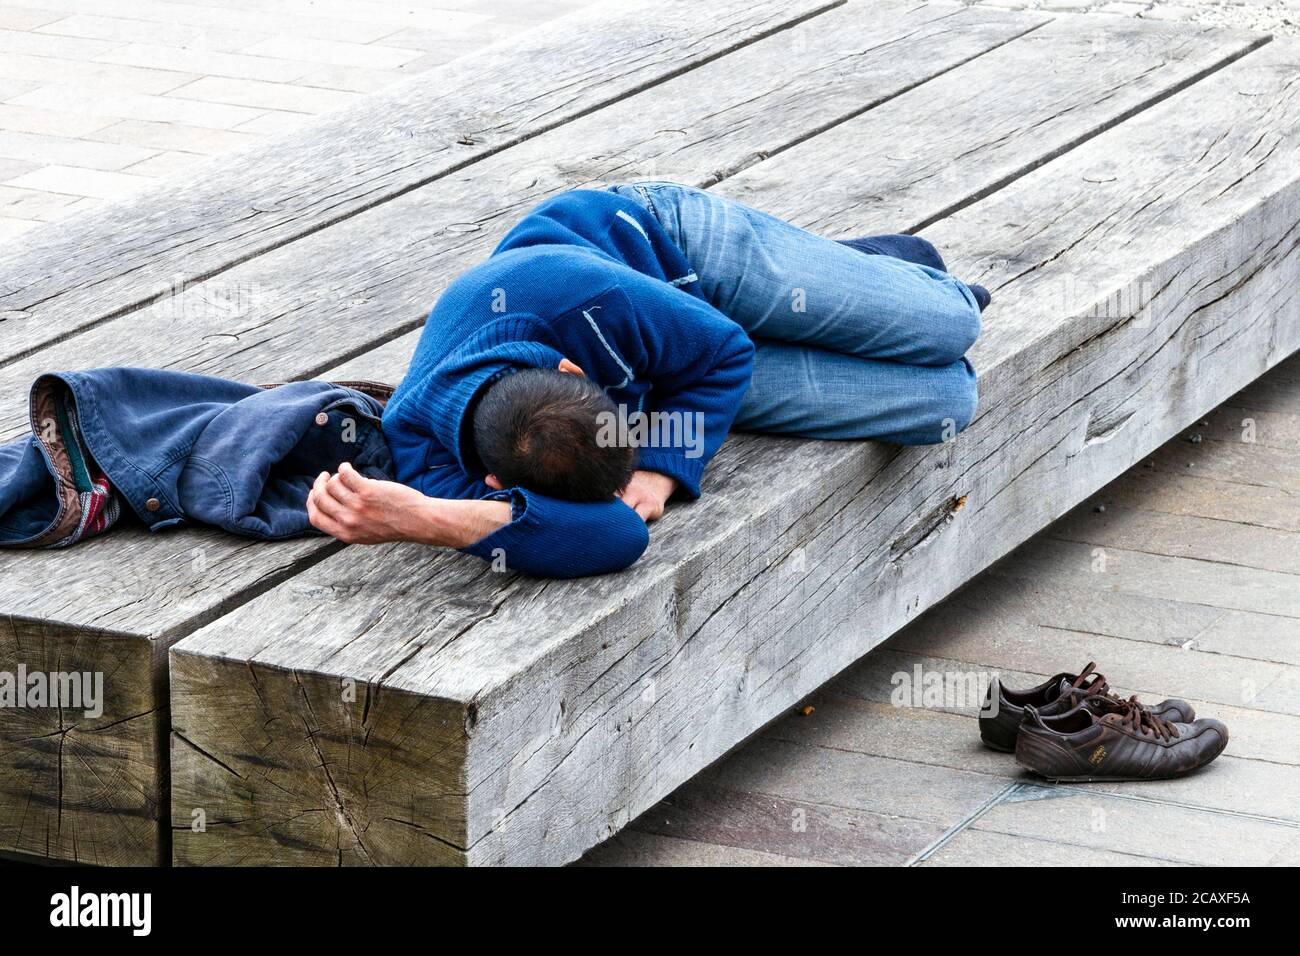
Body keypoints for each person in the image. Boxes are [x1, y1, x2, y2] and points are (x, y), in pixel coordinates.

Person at [306, 182, 986, 578]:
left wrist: (658, 467)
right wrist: (429, 518)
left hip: (676, 252)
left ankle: (880, 268)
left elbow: (723, 353)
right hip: (670, 376)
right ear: (494, 483)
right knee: (947, 398)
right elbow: (618, 537)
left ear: (573, 372)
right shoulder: (424, 459)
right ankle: (833, 297)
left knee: (951, 326)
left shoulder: (580, 291)